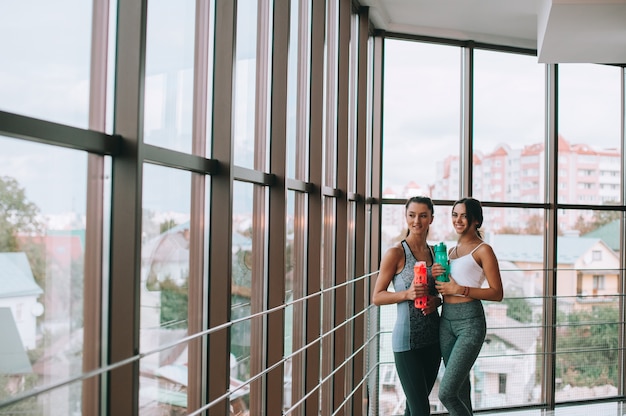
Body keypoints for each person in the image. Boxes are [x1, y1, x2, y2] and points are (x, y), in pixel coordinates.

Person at [372, 196, 447, 415]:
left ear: (431, 218)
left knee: (413, 407)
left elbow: (442, 291)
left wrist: (437, 301)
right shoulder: (396, 253)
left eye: (423, 215)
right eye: (412, 215)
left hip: (434, 341)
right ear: (406, 217)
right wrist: (406, 293)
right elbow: (377, 297)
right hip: (407, 344)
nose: (417, 221)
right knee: (421, 410)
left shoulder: (435, 253)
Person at [434, 197, 504, 416]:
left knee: (446, 393)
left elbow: (497, 293)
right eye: (455, 215)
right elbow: (444, 288)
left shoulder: (484, 250)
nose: (458, 220)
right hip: (446, 321)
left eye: (464, 215)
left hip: (470, 322)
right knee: (461, 390)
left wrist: (460, 289)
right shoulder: (450, 252)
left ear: (476, 220)